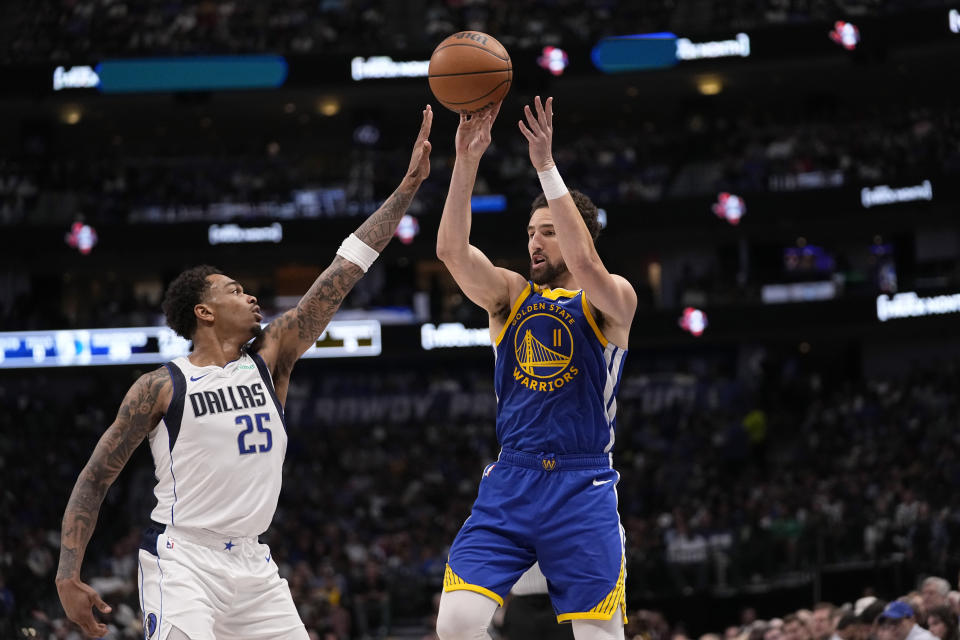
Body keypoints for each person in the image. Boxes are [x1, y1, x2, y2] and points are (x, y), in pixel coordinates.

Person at [54, 105, 434, 640]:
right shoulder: (161, 386)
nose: (250, 294)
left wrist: (409, 185)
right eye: (233, 290)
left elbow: (344, 270)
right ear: (202, 312)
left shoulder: (271, 357)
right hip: (181, 558)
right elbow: (96, 476)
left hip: (254, 566)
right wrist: (67, 574)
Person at [434, 95, 637, 640]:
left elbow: (589, 266)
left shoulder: (611, 299)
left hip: (583, 481)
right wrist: (467, 160)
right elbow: (452, 251)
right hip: (514, 478)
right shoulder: (512, 296)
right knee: (455, 625)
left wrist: (546, 165)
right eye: (530, 232)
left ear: (578, 234)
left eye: (548, 231)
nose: (534, 242)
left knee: (600, 638)